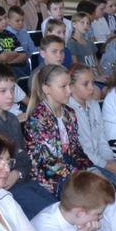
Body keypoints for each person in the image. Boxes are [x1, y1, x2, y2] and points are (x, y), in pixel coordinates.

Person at [24, 63, 91, 196]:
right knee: (89, 193)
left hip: (69, 167)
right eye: (63, 86)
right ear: (46, 89)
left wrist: (88, 167)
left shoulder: (69, 113)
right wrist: (79, 175)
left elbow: (76, 149)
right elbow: (49, 162)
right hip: (48, 177)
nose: (69, 91)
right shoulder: (38, 119)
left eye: (69, 85)